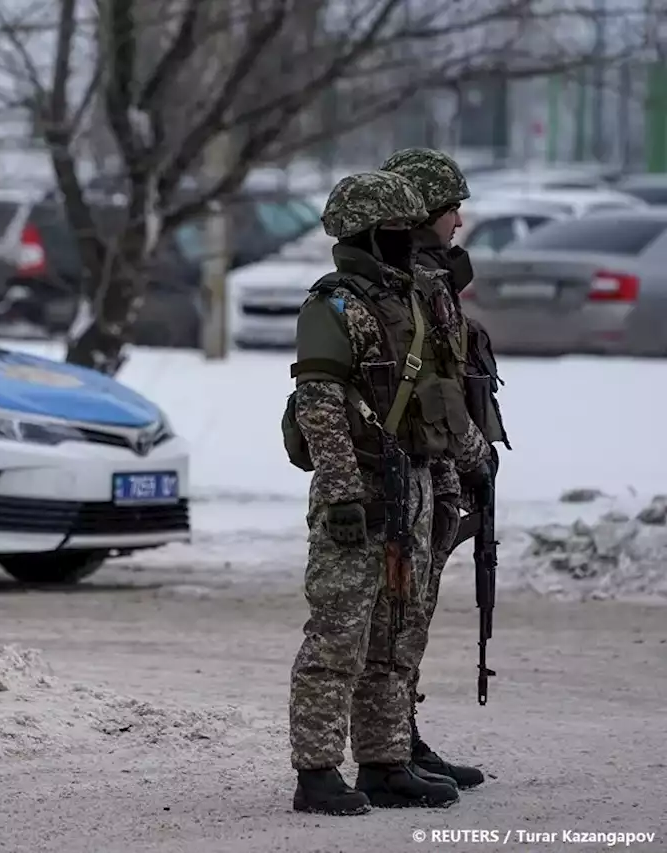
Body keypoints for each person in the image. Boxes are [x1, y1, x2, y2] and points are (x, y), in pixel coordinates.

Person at [284, 169, 483, 814]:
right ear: (370, 235)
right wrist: (341, 491)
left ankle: (384, 761)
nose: (412, 243)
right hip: (362, 489)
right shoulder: (334, 304)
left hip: (414, 485)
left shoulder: (407, 298)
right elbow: (320, 402)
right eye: (398, 232)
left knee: (397, 636)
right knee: (339, 635)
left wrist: (448, 478)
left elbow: (437, 399)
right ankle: (316, 773)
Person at [380, 147, 509, 790]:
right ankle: (387, 750)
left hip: (433, 465)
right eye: (452, 207)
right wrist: (472, 457)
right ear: (424, 210)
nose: (459, 221)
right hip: (408, 467)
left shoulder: (420, 280)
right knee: (396, 618)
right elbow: (439, 387)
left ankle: (400, 740)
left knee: (411, 616)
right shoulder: (408, 285)